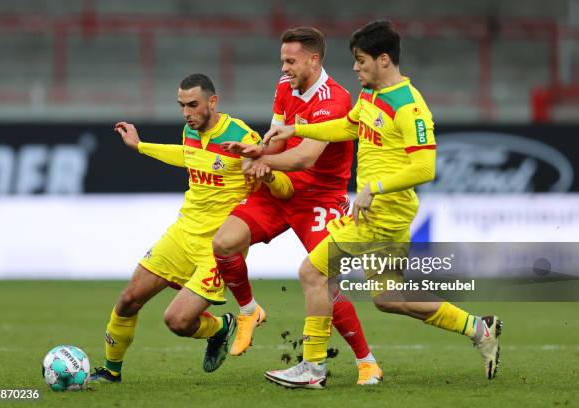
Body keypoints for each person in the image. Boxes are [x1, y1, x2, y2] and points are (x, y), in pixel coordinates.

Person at [262, 21, 502, 389]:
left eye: (360, 61)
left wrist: (374, 186)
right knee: (390, 297)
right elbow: (347, 127)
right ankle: (478, 328)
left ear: (384, 59)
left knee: (313, 272)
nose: (355, 68)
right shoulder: (371, 95)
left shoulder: (409, 106)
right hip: (378, 213)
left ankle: (311, 367)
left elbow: (425, 167)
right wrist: (298, 130)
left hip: (382, 215)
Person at [90, 73, 294, 383]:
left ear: (213, 102)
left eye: (193, 105)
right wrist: (140, 146)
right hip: (183, 232)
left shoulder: (243, 136)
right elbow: (184, 156)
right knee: (128, 300)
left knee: (177, 321)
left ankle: (221, 327)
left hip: (218, 244)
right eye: (182, 105)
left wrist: (266, 175)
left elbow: (282, 188)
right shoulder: (190, 130)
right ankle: (110, 371)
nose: (186, 113)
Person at [213, 27, 382, 385]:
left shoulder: (333, 99)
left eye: (291, 61)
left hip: (320, 197)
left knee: (324, 283)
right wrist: (256, 154)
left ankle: (366, 362)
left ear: (313, 59)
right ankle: (249, 310)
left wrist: (265, 161)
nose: (285, 67)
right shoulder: (283, 86)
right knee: (224, 242)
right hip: (279, 191)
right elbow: (274, 138)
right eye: (282, 60)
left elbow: (305, 157)